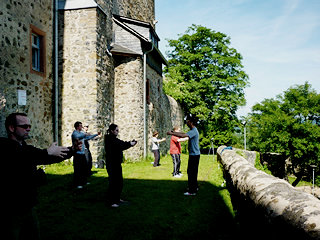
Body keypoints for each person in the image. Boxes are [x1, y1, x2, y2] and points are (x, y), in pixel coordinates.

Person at [1, 112, 80, 240]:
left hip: (28, 206)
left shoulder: (26, 148)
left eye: (29, 126)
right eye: (24, 126)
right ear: (11, 128)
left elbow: (47, 158)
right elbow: (20, 157)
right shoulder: (5, 147)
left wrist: (72, 150)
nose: (28, 129)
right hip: (12, 210)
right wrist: (47, 152)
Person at [104, 124, 137, 208]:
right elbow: (120, 144)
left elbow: (121, 144)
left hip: (116, 163)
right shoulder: (109, 139)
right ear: (112, 131)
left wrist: (130, 143)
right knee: (113, 183)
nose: (117, 132)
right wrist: (130, 143)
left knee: (119, 182)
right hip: (112, 164)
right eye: (116, 130)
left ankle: (117, 199)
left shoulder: (113, 139)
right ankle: (111, 201)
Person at [167, 116, 200, 196]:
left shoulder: (194, 131)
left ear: (191, 122)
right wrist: (174, 133)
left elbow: (183, 135)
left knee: (191, 172)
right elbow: (182, 134)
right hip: (194, 154)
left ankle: (192, 191)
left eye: (187, 121)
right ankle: (194, 187)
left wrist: (171, 133)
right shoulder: (193, 130)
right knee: (192, 172)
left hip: (194, 155)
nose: (186, 123)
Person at [71, 121, 100, 189]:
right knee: (78, 169)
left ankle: (83, 181)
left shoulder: (81, 133)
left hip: (82, 153)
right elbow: (79, 136)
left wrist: (96, 134)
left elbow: (87, 138)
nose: (82, 127)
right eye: (81, 126)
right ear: (77, 127)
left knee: (84, 168)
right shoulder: (75, 133)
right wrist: (86, 134)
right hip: (77, 153)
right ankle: (77, 183)